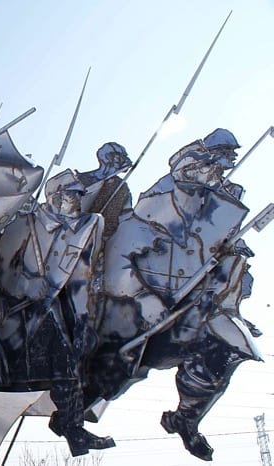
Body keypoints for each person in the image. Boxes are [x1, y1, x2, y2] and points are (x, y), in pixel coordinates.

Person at [99, 136, 253, 461]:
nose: (219, 167)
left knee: (225, 350)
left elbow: (227, 269)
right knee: (101, 379)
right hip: (138, 314)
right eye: (213, 160)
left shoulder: (217, 210)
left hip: (189, 313)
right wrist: (145, 300)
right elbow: (122, 260)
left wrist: (231, 276)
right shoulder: (158, 205)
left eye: (223, 160)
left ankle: (186, 418)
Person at [0, 170, 113, 457]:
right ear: (55, 196)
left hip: (52, 309)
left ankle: (72, 428)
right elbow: (0, 268)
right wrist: (25, 284)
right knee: (62, 362)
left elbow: (79, 281)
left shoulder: (79, 232)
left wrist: (81, 322)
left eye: (79, 196)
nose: (77, 202)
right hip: (18, 312)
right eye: (71, 196)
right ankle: (72, 429)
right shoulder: (26, 224)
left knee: (70, 365)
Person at [75, 142, 133, 239]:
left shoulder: (121, 186)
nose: (121, 160)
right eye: (118, 156)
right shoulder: (82, 178)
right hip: (75, 230)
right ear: (107, 157)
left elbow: (126, 214)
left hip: (102, 236)